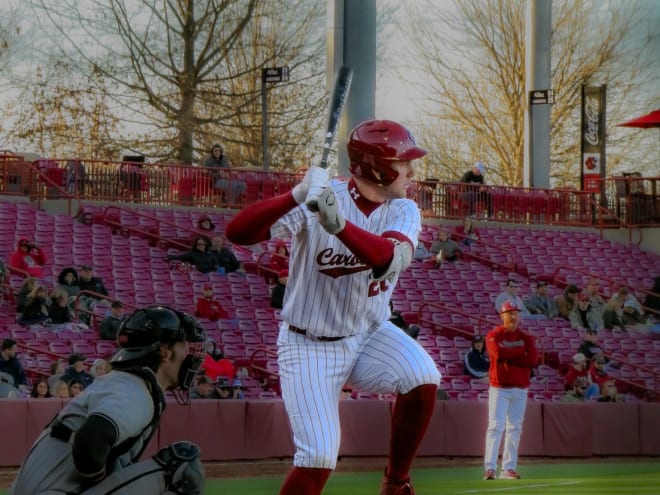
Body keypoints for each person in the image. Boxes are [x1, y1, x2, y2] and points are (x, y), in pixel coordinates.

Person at [226, 119, 440, 495]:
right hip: (308, 345)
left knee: (423, 376)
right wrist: (294, 195)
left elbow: (388, 260)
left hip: (367, 333)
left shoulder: (403, 209)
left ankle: (395, 483)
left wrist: (339, 226)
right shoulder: (320, 198)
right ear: (380, 168)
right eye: (404, 162)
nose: (411, 171)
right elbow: (237, 234)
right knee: (319, 458)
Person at [10, 305, 206, 495]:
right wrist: (99, 480)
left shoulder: (122, 382)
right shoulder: (133, 387)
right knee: (181, 466)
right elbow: (91, 438)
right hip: (54, 491)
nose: (188, 355)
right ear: (165, 352)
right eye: (184, 346)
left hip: (47, 488)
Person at [483, 301, 538, 481]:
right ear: (502, 316)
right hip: (500, 387)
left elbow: (532, 360)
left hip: (520, 388)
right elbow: (498, 353)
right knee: (495, 427)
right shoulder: (495, 334)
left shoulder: (526, 337)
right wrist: (520, 352)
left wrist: (511, 353)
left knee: (515, 428)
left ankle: (508, 468)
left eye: (516, 313)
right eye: (510, 313)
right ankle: (490, 468)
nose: (513, 317)